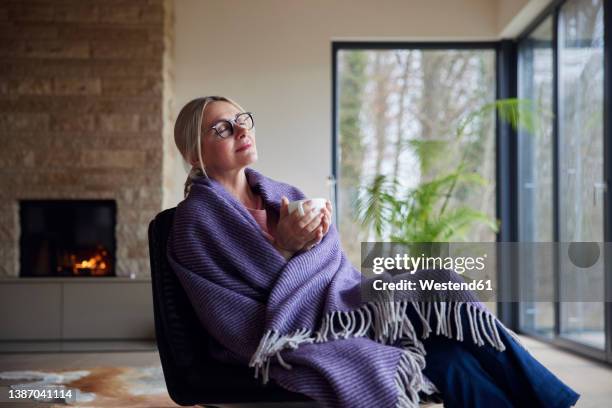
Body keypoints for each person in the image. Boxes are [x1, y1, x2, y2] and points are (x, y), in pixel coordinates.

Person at [168, 95, 580, 408]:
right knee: (443, 359)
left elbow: (332, 266)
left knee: (441, 291)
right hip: (291, 334)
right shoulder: (194, 222)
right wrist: (285, 248)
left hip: (346, 303)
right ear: (194, 154)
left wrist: (318, 238)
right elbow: (230, 314)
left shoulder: (287, 196)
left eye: (242, 121)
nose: (241, 131)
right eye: (221, 129)